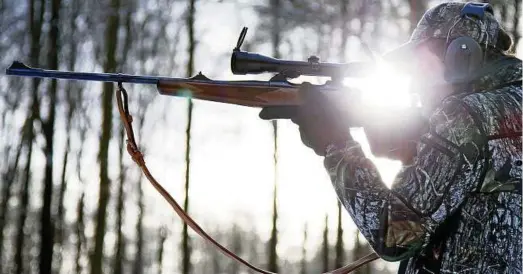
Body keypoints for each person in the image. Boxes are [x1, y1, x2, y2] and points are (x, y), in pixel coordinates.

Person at [259, 2, 522, 273]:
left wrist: (336, 144)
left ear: (461, 55)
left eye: (421, 65)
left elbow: (395, 234)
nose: (413, 83)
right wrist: (413, 146)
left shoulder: (465, 114)